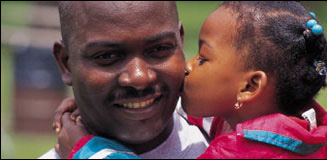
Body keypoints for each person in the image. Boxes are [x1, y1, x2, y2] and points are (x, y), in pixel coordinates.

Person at [54, 1, 327, 159]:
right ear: (66, 63)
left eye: (203, 59)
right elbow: (218, 118)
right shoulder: (292, 131)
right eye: (107, 57)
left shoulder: (244, 151)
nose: (188, 67)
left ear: (249, 87)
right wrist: (100, 102)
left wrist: (86, 150)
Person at [38, 1, 209, 159]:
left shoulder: (226, 137)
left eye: (159, 48)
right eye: (107, 56)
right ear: (66, 63)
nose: (139, 77)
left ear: (180, 42)